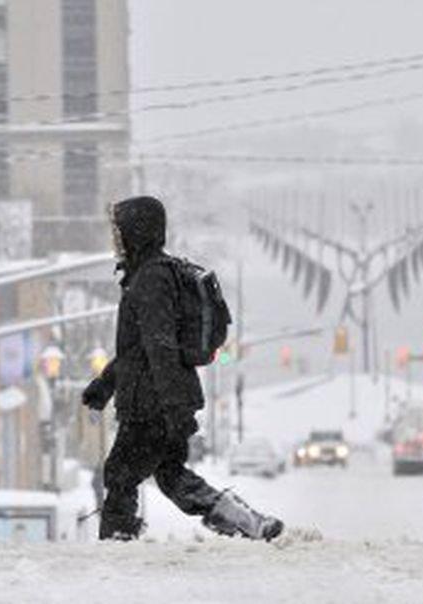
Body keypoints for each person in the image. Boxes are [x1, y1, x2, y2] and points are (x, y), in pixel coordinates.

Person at [81, 195, 283, 542]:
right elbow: (139, 350)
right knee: (170, 474)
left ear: (138, 232)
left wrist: (174, 408)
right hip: (157, 396)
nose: (116, 239)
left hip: (152, 401)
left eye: (120, 230)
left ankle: (116, 545)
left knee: (120, 474)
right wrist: (105, 385)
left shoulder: (151, 280)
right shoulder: (149, 275)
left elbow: (160, 349)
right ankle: (244, 519)